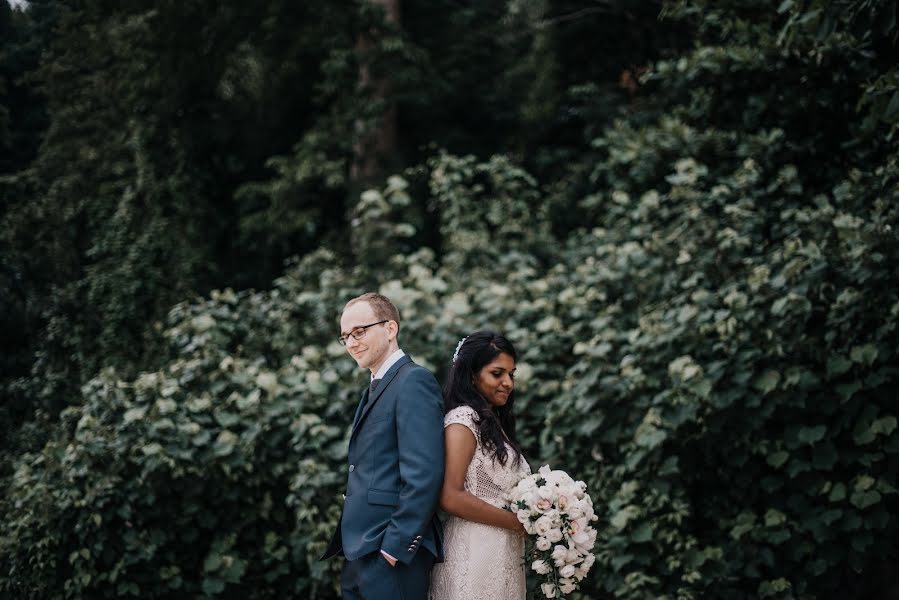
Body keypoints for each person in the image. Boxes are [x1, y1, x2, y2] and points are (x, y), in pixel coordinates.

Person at [321, 292, 446, 600]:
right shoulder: (374, 387)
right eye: (345, 337)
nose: (351, 343)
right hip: (359, 553)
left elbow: (424, 475)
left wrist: (393, 549)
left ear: (390, 329)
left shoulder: (413, 382)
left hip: (391, 556)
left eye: (359, 332)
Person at [429, 331, 531, 600]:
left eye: (512, 374)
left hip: (503, 549)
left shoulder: (494, 424)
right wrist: (517, 523)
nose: (508, 383)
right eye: (497, 374)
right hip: (474, 551)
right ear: (472, 375)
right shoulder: (463, 421)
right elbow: (450, 496)